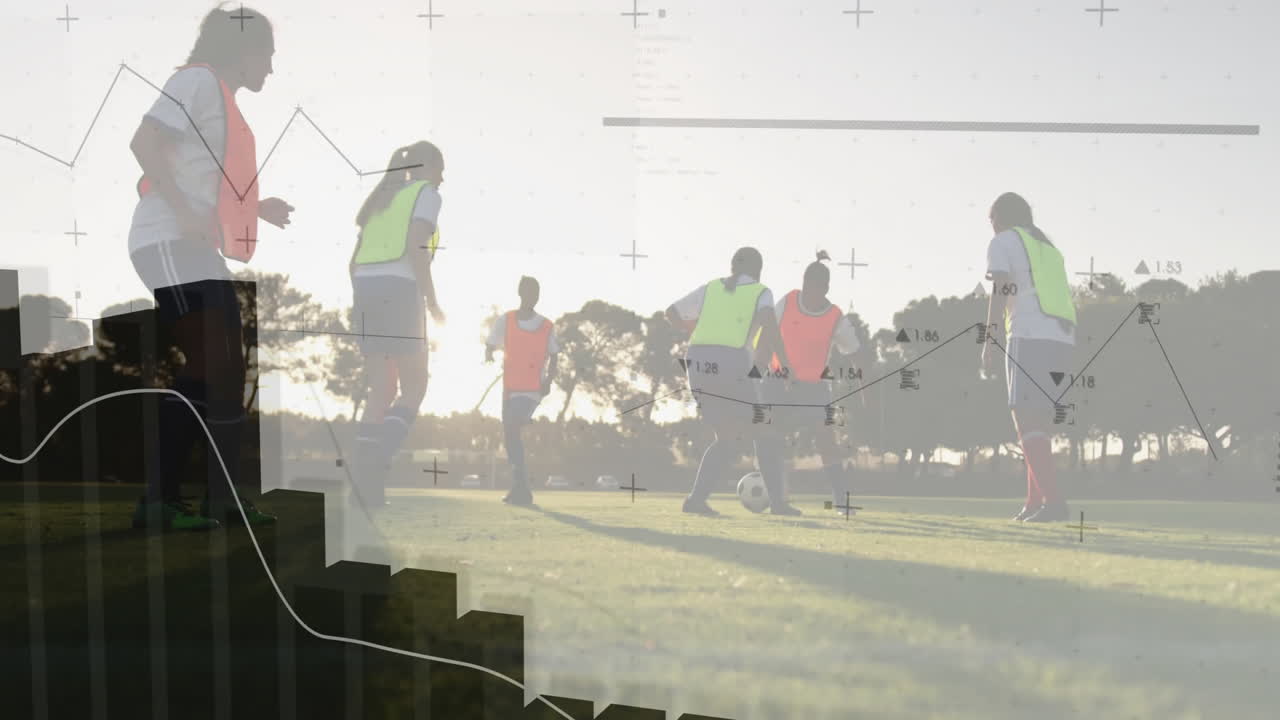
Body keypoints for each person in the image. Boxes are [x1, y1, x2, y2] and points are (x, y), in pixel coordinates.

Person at [128, 6, 292, 530]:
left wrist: (257, 209)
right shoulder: (198, 82)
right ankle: (160, 503)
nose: (270, 67)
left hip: (193, 245)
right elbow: (144, 141)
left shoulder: (220, 101)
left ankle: (220, 500)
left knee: (225, 368)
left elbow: (206, 177)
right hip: (168, 239)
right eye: (266, 54)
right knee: (209, 363)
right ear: (241, 51)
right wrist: (182, 209)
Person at [348, 142, 446, 509]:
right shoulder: (427, 194)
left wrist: (363, 301)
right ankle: (373, 469)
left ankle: (365, 486)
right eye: (441, 167)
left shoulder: (382, 199)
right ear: (429, 167)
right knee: (415, 385)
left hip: (365, 289)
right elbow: (416, 245)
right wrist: (432, 303)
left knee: (380, 389)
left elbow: (352, 264)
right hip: (399, 289)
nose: (443, 176)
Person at [667, 247, 800, 516]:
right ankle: (777, 503)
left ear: (732, 267)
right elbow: (769, 325)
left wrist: (697, 330)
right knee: (765, 430)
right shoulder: (761, 292)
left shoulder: (711, 288)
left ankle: (695, 501)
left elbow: (671, 313)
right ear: (759, 269)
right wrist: (785, 365)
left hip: (698, 363)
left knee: (726, 438)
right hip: (731, 363)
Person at [980, 192, 1075, 523]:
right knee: (1039, 424)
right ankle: (1034, 503)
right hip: (1062, 338)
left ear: (1001, 218)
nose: (990, 226)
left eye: (991, 219)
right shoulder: (1048, 248)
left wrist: (990, 337)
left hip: (1029, 334)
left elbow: (1002, 289)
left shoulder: (1004, 241)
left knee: (1024, 417)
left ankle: (1054, 503)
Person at [762, 251, 863, 515]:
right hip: (778, 381)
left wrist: (864, 386)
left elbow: (855, 352)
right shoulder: (788, 301)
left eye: (817, 288)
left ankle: (842, 501)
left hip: (814, 388)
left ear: (826, 289)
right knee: (773, 438)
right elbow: (767, 332)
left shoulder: (835, 316)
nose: (811, 292)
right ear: (803, 282)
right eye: (808, 285)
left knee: (826, 440)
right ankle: (778, 500)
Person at [485, 276, 559, 507]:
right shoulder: (506, 320)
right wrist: (488, 354)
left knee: (514, 426)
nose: (533, 297)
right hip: (510, 389)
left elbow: (555, 354)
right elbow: (491, 342)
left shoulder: (547, 325)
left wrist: (549, 380)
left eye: (536, 293)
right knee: (510, 438)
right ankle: (520, 487)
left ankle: (522, 487)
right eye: (529, 292)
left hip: (532, 390)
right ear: (520, 293)